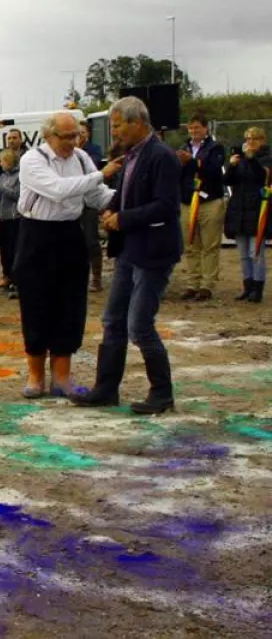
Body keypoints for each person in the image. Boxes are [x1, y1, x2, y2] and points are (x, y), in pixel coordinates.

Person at [72, 97, 182, 415]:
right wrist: (113, 209)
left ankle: (162, 393)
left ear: (138, 122)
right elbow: (128, 193)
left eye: (118, 126)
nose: (115, 132)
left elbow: (166, 206)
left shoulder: (161, 156)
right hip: (130, 250)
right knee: (113, 320)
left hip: (153, 251)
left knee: (139, 325)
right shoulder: (132, 156)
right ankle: (106, 389)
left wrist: (124, 219)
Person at [15, 111, 121, 399]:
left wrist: (124, 199)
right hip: (36, 235)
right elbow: (58, 190)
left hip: (70, 234)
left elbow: (95, 195)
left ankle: (62, 377)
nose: (73, 141)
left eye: (76, 135)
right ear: (49, 135)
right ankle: (35, 375)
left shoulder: (82, 158)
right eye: (67, 136)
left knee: (70, 305)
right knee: (37, 304)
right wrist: (102, 174)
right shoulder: (33, 159)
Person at [176, 112, 227, 301]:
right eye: (191, 127)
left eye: (197, 127)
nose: (194, 131)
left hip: (209, 200)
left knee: (210, 244)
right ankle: (192, 283)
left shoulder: (216, 147)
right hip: (188, 200)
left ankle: (207, 284)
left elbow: (213, 170)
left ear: (205, 128)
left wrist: (193, 161)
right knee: (190, 243)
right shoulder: (184, 147)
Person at [224, 126, 272, 303]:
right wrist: (231, 165)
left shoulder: (267, 158)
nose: (250, 142)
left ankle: (258, 288)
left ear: (262, 141)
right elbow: (228, 181)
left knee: (256, 252)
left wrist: (251, 160)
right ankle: (248, 286)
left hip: (258, 209)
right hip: (239, 209)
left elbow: (262, 177)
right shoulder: (242, 159)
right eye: (248, 139)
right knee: (243, 253)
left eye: (254, 139)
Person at [75, 123, 106, 292]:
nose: (79, 135)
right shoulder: (66, 151)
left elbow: (89, 170)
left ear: (87, 134)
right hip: (72, 202)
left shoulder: (93, 150)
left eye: (82, 132)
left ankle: (97, 278)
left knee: (91, 239)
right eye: (76, 133)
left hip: (89, 202)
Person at [0, 148, 21, 298]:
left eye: (2, 161)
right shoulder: (2, 176)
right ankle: (7, 276)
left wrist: (0, 187)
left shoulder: (19, 176)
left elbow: (17, 194)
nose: (0, 163)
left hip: (14, 217)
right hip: (2, 217)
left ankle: (16, 280)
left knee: (14, 249)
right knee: (4, 250)